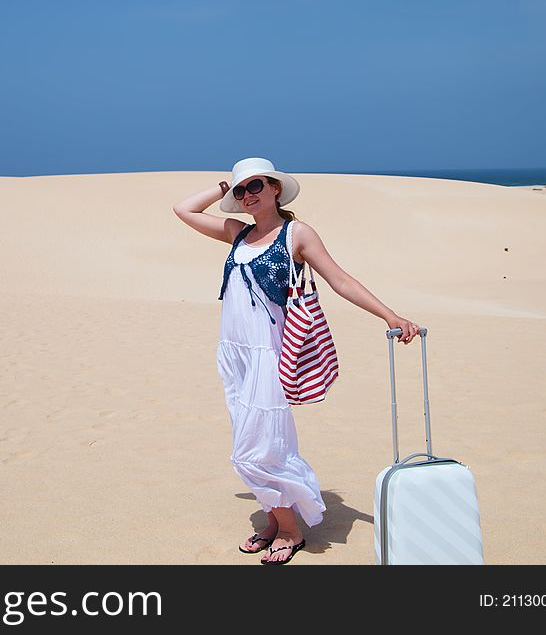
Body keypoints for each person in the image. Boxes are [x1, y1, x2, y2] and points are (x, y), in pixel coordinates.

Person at [172, 157, 421, 564]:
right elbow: (183, 210)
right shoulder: (237, 232)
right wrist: (224, 188)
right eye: (241, 190)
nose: (248, 195)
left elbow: (340, 280)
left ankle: (290, 531)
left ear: (275, 188)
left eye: (255, 186)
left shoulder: (296, 234)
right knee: (260, 443)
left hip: (269, 355)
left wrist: (390, 315)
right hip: (235, 355)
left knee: (255, 449)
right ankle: (273, 521)